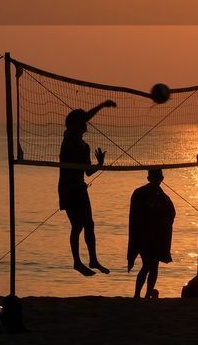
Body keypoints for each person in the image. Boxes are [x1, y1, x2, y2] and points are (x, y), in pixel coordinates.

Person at [58, 101, 115, 277]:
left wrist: (100, 163)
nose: (86, 123)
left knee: (89, 224)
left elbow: (88, 173)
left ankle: (93, 259)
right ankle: (77, 262)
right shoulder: (69, 139)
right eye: (82, 121)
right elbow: (84, 117)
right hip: (68, 188)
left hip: (80, 187)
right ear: (75, 125)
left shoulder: (85, 146)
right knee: (77, 225)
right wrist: (102, 105)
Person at [127, 168, 176, 299]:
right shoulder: (140, 193)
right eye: (156, 177)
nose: (158, 180)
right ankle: (137, 294)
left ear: (161, 179)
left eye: (159, 177)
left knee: (153, 266)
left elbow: (171, 214)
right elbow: (135, 217)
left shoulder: (163, 197)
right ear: (149, 179)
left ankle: (147, 293)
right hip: (144, 237)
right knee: (148, 265)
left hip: (157, 237)